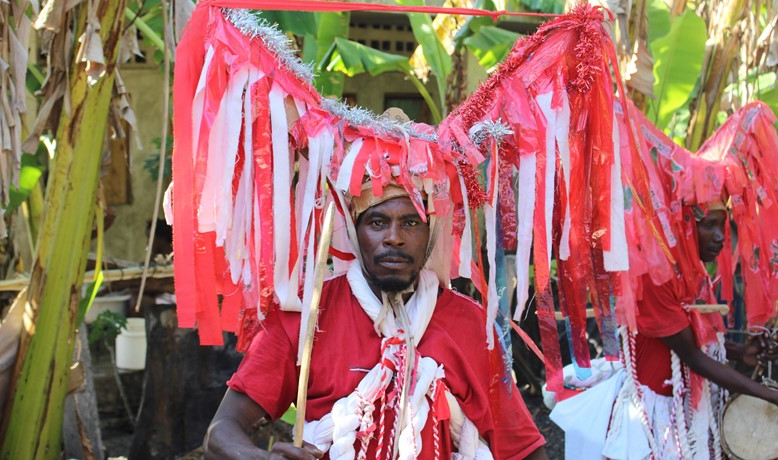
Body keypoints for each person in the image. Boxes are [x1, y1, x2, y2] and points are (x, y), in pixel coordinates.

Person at [204, 184, 548, 459]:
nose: (394, 237)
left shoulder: (471, 324)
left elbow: (522, 448)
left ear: (431, 232)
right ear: (356, 233)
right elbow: (221, 430)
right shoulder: (305, 315)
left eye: (411, 222)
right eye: (378, 222)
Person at [551, 201, 778, 460]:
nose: (720, 236)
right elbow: (692, 356)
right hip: (651, 416)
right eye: (709, 225)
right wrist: (766, 394)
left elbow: (695, 341)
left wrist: (741, 352)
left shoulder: (692, 271)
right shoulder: (655, 277)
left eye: (722, 225)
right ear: (683, 228)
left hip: (683, 406)